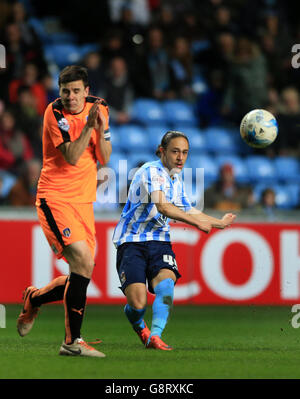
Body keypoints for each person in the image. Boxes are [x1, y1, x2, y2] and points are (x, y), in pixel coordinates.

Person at [16, 65, 112, 358]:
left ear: (86, 91)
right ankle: (72, 342)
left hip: (83, 202)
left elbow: (104, 158)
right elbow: (70, 157)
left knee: (82, 270)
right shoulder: (54, 113)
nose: (69, 97)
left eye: (75, 91)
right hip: (54, 198)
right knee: (82, 262)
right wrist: (88, 126)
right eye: (65, 91)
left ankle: (35, 298)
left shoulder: (100, 109)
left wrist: (98, 127)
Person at [112, 130, 236, 350]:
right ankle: (139, 324)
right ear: (162, 151)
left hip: (159, 240)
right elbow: (164, 207)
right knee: (137, 304)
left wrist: (219, 222)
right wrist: (196, 223)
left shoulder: (175, 180)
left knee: (166, 285)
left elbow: (188, 209)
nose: (181, 157)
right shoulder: (151, 171)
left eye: (185, 153)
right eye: (175, 151)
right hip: (132, 241)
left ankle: (155, 336)